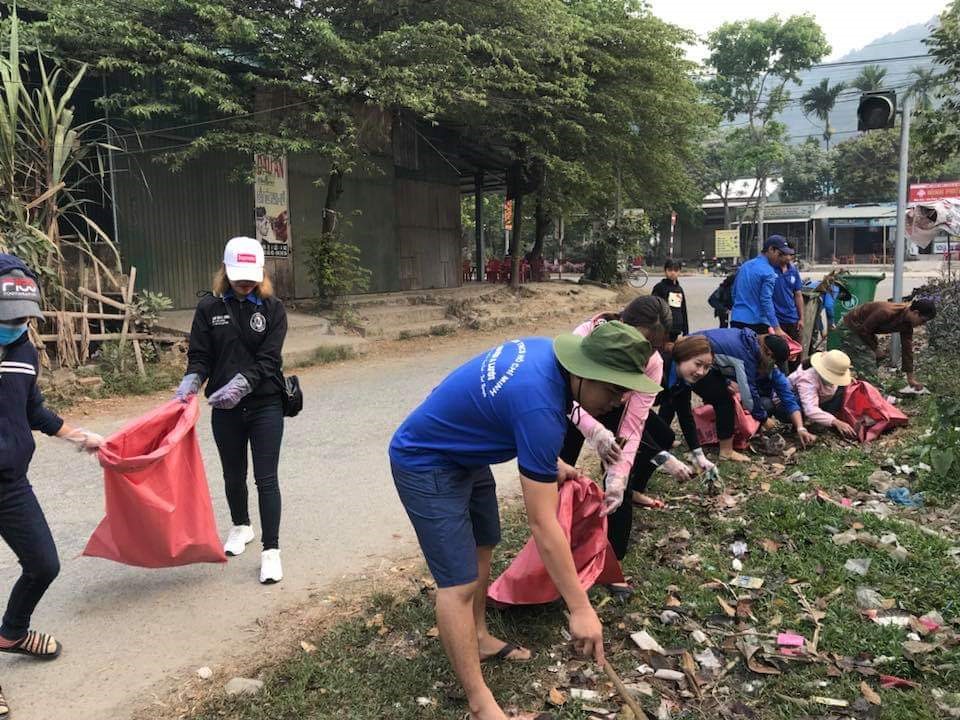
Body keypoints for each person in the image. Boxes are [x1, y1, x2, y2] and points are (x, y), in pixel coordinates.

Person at [389, 322, 657, 720]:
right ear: (585, 371)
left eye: (625, 391)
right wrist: (581, 609)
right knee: (457, 583)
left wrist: (555, 463)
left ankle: (478, 636)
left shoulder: (549, 360)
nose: (618, 401)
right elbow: (543, 525)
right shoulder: (541, 406)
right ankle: (480, 703)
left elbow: (506, 412)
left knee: (484, 543)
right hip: (426, 460)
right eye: (614, 389)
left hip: (466, 450)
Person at [0, 254, 104, 716]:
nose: (18, 324)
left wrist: (81, 437)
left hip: (10, 482)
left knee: (44, 564)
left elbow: (33, 411)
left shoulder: (23, 349)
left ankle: (12, 632)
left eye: (24, 316)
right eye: (9, 316)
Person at [560, 298, 705, 587]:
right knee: (559, 472)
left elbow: (633, 425)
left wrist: (619, 475)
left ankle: (610, 564)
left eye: (652, 347)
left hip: (610, 403)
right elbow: (561, 395)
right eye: (641, 340)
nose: (643, 353)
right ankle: (556, 548)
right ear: (624, 323)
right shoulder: (585, 338)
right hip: (574, 404)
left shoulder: (651, 363)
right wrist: (594, 431)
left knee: (618, 485)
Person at [177, 236, 288, 584]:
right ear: (225, 270)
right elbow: (201, 355)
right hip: (224, 409)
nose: (244, 282)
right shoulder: (209, 308)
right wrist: (192, 381)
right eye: (238, 275)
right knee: (232, 474)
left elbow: (269, 361)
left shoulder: (272, 308)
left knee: (266, 478)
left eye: (251, 276)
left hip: (265, 403)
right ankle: (241, 527)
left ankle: (271, 551)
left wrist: (242, 384)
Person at [694, 328, 817, 446]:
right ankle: (725, 446)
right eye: (774, 362)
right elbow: (749, 396)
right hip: (692, 355)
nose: (774, 366)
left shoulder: (757, 351)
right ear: (769, 354)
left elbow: (787, 395)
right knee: (724, 401)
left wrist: (800, 428)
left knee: (762, 403)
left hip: (705, 359)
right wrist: (763, 419)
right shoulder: (745, 355)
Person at [658, 335, 748, 462]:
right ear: (682, 357)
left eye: (707, 367)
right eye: (698, 364)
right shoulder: (658, 368)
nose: (701, 372)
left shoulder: (683, 382)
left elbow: (686, 417)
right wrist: (661, 457)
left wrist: (698, 455)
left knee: (669, 412)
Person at [834, 298, 936, 390]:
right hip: (850, 327)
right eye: (922, 321)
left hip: (866, 331)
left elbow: (907, 350)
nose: (922, 324)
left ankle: (866, 384)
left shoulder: (907, 324)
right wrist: (875, 349)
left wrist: (910, 378)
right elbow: (864, 331)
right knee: (867, 358)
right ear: (915, 313)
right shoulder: (887, 312)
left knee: (878, 357)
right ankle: (875, 392)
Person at [731, 235, 793, 336]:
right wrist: (776, 328)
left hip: (736, 320)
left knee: (739, 350)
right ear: (771, 249)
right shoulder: (768, 272)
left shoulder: (745, 266)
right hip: (756, 324)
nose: (781, 258)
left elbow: (734, 292)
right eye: (780, 254)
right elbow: (766, 300)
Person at [789, 351, 857, 439]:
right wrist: (835, 421)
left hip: (817, 399)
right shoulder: (807, 378)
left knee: (843, 389)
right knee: (798, 401)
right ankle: (799, 426)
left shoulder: (827, 377)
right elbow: (810, 409)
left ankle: (821, 423)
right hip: (788, 406)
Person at [773, 249, 804, 360]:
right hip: (776, 320)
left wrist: (801, 318)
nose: (789, 257)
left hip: (792, 318)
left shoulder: (793, 271)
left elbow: (798, 295)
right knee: (779, 354)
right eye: (787, 255)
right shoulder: (771, 270)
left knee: (795, 353)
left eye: (791, 255)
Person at [651, 259, 689, 343]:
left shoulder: (679, 289)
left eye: (676, 270)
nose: (673, 273)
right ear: (665, 271)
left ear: (679, 272)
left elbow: (683, 309)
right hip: (663, 328)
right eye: (670, 270)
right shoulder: (659, 287)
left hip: (676, 327)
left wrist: (686, 330)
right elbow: (653, 308)